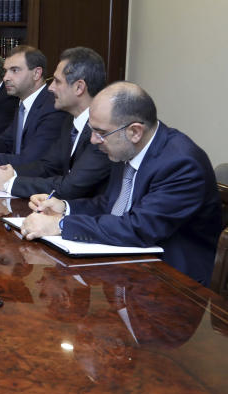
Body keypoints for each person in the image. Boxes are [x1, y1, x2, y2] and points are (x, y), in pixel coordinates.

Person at [22, 82, 222, 285]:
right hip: (128, 265)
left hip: (172, 280)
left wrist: (61, 225)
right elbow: (112, 205)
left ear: (135, 131)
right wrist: (65, 207)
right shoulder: (125, 147)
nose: (93, 140)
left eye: (101, 132)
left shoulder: (181, 163)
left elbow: (141, 227)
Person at [0, 46, 113, 199]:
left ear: (79, 87)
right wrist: (11, 172)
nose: (51, 88)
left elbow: (70, 186)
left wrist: (10, 183)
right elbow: (47, 166)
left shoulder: (103, 132)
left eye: (57, 82)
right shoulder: (69, 121)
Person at [0, 45, 67, 166]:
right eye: (6, 71)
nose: (5, 78)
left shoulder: (53, 107)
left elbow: (31, 159)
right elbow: (5, 141)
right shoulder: (22, 104)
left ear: (36, 73)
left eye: (14, 70)